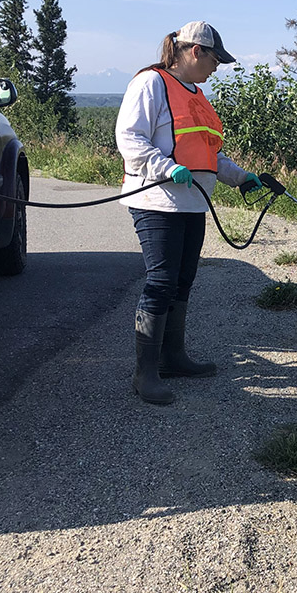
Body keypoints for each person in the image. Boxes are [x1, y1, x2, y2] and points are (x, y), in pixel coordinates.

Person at [115, 21, 262, 405]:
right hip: (156, 200)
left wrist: (241, 177)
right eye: (215, 60)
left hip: (193, 202)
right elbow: (129, 138)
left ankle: (173, 357)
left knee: (183, 280)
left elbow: (208, 154)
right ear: (195, 51)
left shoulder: (195, 94)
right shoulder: (151, 84)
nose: (218, 68)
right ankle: (144, 373)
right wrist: (164, 167)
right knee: (161, 280)